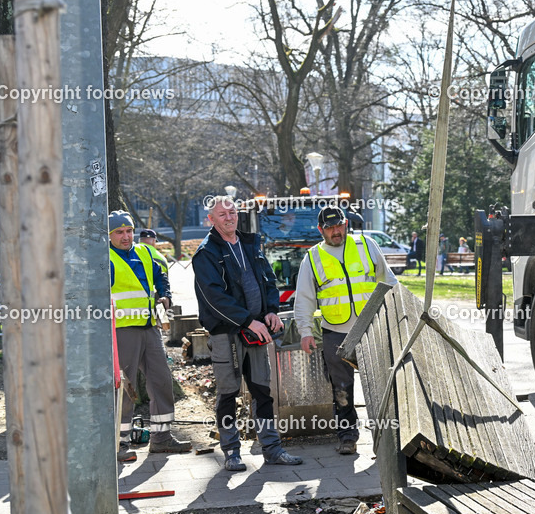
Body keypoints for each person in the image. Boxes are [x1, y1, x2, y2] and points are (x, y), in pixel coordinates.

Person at [192, 196, 301, 472]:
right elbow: (214, 297)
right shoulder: (206, 253)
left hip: (256, 330)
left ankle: (272, 449)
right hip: (226, 334)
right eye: (222, 214)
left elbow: (268, 280)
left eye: (232, 211)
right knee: (228, 393)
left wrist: (272, 310)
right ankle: (231, 452)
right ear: (211, 220)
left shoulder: (251, 244)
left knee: (262, 391)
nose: (229, 217)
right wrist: (247, 322)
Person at [295, 206, 397, 454]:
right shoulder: (313, 257)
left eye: (339, 225)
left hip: (372, 327)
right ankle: (348, 436)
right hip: (335, 331)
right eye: (329, 228)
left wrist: (398, 315)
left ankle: (385, 438)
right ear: (321, 230)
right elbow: (304, 299)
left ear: (346, 224)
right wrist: (305, 331)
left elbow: (390, 281)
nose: (335, 231)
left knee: (380, 384)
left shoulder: (366, 245)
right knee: (341, 388)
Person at [109, 211, 192, 463]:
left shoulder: (145, 252)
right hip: (121, 331)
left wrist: (165, 295)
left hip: (149, 328)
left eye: (129, 230)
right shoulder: (105, 260)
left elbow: (161, 276)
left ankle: (162, 438)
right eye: (119, 232)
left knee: (162, 380)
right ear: (109, 235)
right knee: (125, 388)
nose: (126, 236)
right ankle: (119, 444)